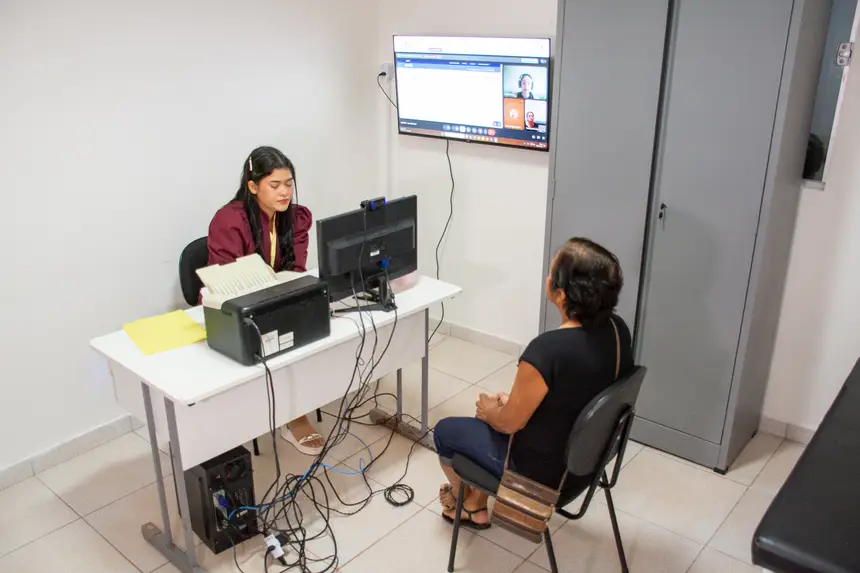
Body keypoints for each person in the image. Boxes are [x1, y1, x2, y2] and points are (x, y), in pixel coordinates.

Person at [434, 238, 633, 529]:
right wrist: (512, 405)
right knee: (495, 415)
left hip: (542, 480)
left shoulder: (547, 351)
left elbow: (508, 424)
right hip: (588, 465)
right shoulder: (617, 329)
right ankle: (475, 503)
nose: (547, 277)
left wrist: (489, 411)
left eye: (551, 273)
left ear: (561, 294)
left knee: (445, 432)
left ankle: (465, 503)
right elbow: (575, 393)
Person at [207, 146, 325, 455]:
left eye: (288, 184)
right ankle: (292, 415)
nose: (285, 192)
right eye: (275, 185)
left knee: (311, 331)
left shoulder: (296, 218)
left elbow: (296, 270)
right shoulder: (230, 220)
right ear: (252, 186)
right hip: (236, 309)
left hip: (275, 300)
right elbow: (226, 282)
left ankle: (294, 410)